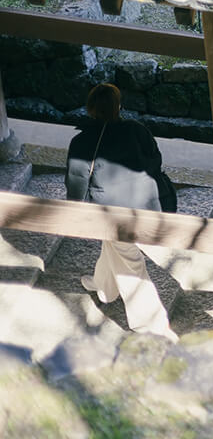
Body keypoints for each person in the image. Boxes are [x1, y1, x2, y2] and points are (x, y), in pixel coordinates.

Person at [65, 83, 178, 341]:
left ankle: (152, 325)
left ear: (90, 109)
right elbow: (155, 162)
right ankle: (104, 288)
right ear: (119, 106)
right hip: (148, 204)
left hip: (112, 212)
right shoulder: (138, 130)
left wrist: (73, 209)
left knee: (130, 262)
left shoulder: (83, 141)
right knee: (116, 248)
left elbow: (77, 179)